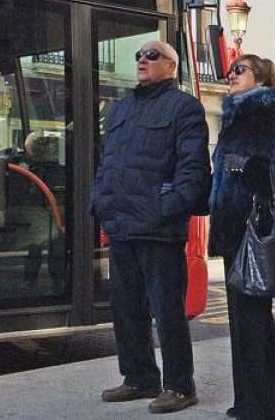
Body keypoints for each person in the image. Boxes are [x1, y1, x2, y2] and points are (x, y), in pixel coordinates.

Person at [89, 40, 211, 413]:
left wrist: (168, 207)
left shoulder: (185, 108)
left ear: (172, 66)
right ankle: (139, 378)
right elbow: (106, 163)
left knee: (167, 309)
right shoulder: (121, 108)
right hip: (122, 224)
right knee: (125, 308)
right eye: (139, 56)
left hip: (159, 228)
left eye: (152, 55)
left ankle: (180, 385)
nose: (142, 60)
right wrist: (100, 201)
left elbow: (193, 171)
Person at [208, 54, 275, 420]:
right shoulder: (234, 113)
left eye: (240, 70)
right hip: (232, 224)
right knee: (241, 316)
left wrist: (257, 169)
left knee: (254, 316)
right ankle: (249, 399)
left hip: (257, 222)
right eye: (230, 70)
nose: (230, 75)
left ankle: (272, 404)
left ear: (261, 77)